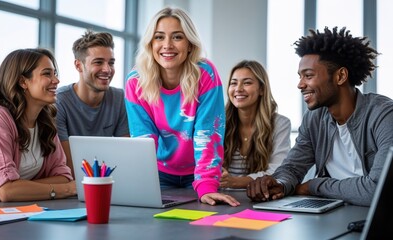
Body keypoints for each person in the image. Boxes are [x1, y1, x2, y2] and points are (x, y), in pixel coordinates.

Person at [247, 26, 393, 207]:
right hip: (335, 210)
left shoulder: (383, 115)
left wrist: (313, 186)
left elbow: (378, 190)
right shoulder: (314, 119)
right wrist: (280, 184)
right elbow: (292, 167)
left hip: (377, 218)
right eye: (300, 77)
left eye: (308, 76)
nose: (300, 85)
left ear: (340, 76)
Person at [124, 7, 240, 206]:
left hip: (198, 174)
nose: (167, 45)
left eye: (177, 37)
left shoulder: (206, 74)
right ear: (150, 44)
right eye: (159, 37)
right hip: (157, 174)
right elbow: (143, 138)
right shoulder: (135, 81)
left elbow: (208, 134)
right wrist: (141, 184)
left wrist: (205, 186)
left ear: (189, 45)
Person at [0, 48, 76, 203]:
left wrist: (20, 188)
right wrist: (69, 189)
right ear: (22, 82)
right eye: (47, 74)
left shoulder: (45, 122)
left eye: (55, 73)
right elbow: (7, 191)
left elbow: (64, 176)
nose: (56, 80)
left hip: (16, 211)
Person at [56, 30, 130, 176]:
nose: (107, 69)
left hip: (109, 180)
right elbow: (68, 164)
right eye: (98, 62)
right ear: (79, 66)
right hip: (72, 182)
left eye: (111, 63)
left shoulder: (120, 98)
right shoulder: (59, 102)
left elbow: (126, 155)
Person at [221, 60, 291, 189]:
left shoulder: (280, 124)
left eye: (247, 83)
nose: (238, 89)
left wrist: (234, 182)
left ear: (262, 90)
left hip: (261, 197)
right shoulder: (219, 122)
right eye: (233, 83)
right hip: (223, 197)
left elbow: (278, 171)